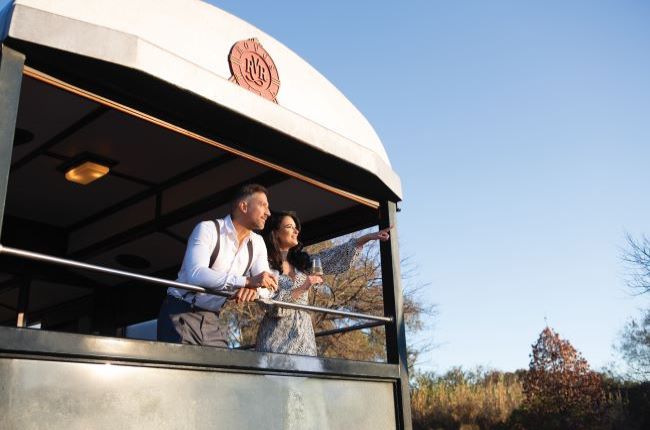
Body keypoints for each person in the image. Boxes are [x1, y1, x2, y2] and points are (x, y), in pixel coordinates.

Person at [255, 211, 391, 356]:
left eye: (296, 227)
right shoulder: (263, 266)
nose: (296, 231)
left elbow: (334, 256)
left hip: (303, 338)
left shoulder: (303, 263)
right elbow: (270, 304)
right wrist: (303, 287)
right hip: (274, 339)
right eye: (289, 226)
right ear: (275, 233)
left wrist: (367, 238)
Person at [157, 184, 278, 347]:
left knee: (221, 369)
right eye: (263, 205)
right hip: (180, 310)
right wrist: (246, 282)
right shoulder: (207, 229)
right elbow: (196, 274)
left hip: (212, 318)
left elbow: (268, 286)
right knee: (182, 370)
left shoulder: (258, 243)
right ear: (243, 206)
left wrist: (256, 292)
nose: (268, 213)